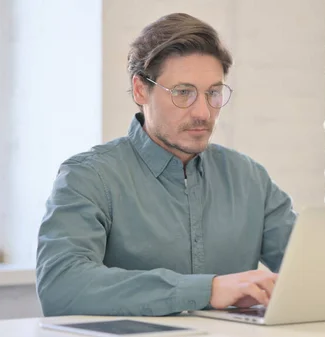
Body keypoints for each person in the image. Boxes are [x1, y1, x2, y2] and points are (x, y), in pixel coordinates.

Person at [36, 13, 297, 317]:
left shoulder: (249, 178)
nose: (203, 112)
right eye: (183, 93)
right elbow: (61, 285)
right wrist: (208, 290)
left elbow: (313, 270)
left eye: (213, 93)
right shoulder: (89, 177)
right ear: (139, 90)